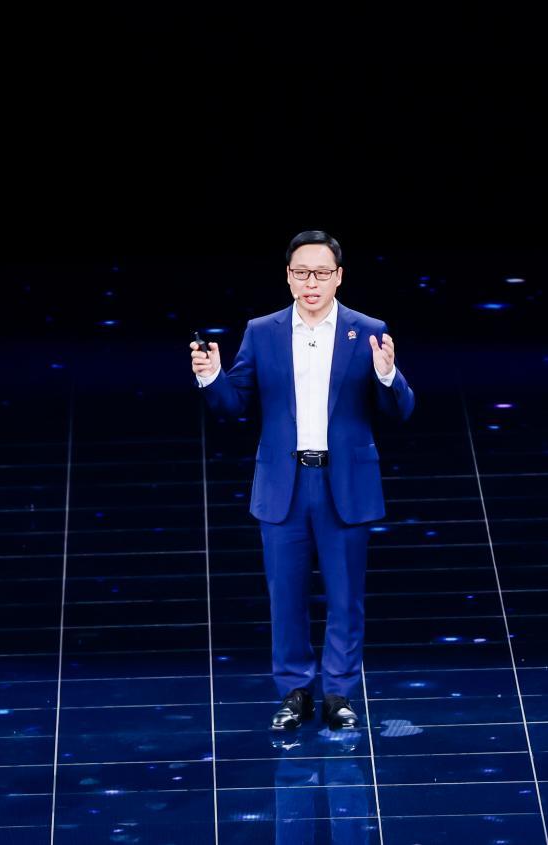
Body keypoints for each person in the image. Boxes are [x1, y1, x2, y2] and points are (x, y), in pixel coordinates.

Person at [190, 229, 415, 731]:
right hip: (284, 485)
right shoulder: (262, 331)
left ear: (339, 276)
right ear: (288, 277)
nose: (311, 282)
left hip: (344, 483)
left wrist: (387, 374)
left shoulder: (367, 330)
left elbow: (400, 408)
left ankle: (339, 692)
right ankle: (295, 691)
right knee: (285, 596)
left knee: (345, 597)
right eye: (301, 272)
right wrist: (212, 376)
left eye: (321, 273)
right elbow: (234, 404)